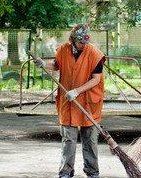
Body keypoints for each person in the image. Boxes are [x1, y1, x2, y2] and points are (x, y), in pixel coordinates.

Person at [33, 24, 105, 178]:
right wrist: (44, 64)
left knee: (90, 139)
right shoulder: (64, 50)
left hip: (88, 102)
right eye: (80, 42)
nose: (84, 45)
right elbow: (57, 66)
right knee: (68, 139)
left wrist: (77, 91)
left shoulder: (94, 53)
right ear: (73, 39)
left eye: (86, 42)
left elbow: (96, 79)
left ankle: (92, 172)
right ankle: (65, 172)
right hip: (68, 103)